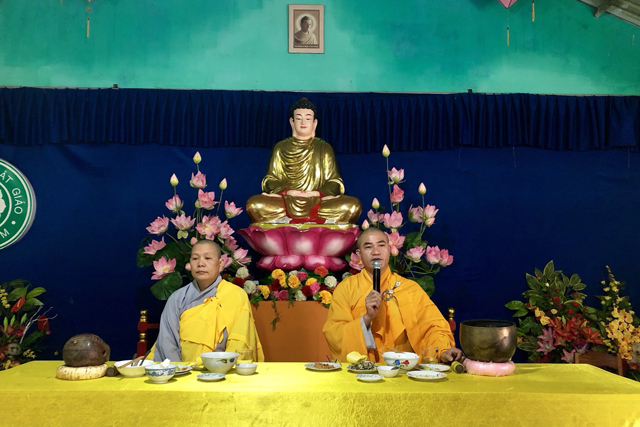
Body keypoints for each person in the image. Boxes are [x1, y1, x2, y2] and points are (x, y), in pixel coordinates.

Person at [323, 227, 465, 364]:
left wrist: (442, 350)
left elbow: (433, 326)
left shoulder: (409, 288)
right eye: (368, 247)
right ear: (359, 255)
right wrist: (366, 318)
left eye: (381, 245)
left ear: (389, 250)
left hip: (405, 369)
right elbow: (334, 333)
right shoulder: (346, 289)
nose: (376, 252)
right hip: (363, 371)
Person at [246, 98, 361, 225]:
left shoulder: (324, 147)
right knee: (254, 205)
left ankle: (296, 221)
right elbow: (270, 180)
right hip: (286, 200)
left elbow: (334, 181)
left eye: (308, 118)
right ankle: (298, 221)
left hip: (318, 201)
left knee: (352, 206)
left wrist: (315, 193)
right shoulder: (281, 147)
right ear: (292, 122)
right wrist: (289, 192)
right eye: (298, 118)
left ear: (314, 122)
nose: (303, 122)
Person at [152, 240, 264, 363]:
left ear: (220, 264)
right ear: (190, 263)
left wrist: (223, 367)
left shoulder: (236, 295)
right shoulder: (177, 298)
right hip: (182, 370)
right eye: (195, 258)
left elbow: (240, 341)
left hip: (224, 370)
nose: (200, 263)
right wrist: (178, 369)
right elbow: (167, 341)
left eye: (208, 258)